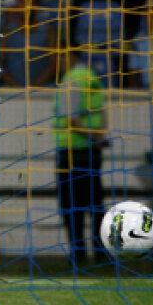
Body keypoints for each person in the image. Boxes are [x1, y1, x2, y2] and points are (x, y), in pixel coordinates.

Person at [53, 44, 108, 268]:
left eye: (62, 56)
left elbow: (70, 119)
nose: (59, 61)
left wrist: (92, 135)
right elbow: (102, 110)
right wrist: (100, 136)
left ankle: (78, 253)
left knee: (71, 206)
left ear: (73, 55)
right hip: (92, 152)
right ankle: (101, 251)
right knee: (95, 204)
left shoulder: (71, 81)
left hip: (71, 151)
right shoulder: (92, 77)